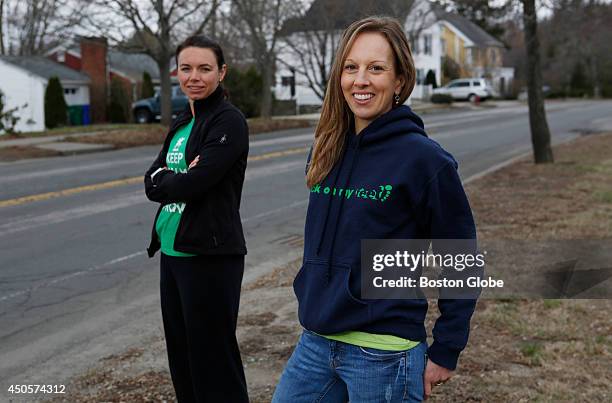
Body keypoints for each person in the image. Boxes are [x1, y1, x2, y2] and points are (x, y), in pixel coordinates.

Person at [272, 16, 478, 403]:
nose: (360, 80)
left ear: (400, 80)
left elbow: (460, 257)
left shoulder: (424, 160)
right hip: (316, 343)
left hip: (385, 351)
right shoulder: (325, 150)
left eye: (376, 68)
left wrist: (447, 348)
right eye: (351, 67)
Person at [144, 35, 249, 403]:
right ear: (176, 72)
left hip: (210, 256)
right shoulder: (182, 121)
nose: (194, 76)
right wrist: (176, 179)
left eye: (205, 68)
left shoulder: (229, 121)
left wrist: (175, 180)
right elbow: (151, 181)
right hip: (173, 254)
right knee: (183, 359)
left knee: (213, 362)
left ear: (221, 72)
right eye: (186, 68)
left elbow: (199, 181)